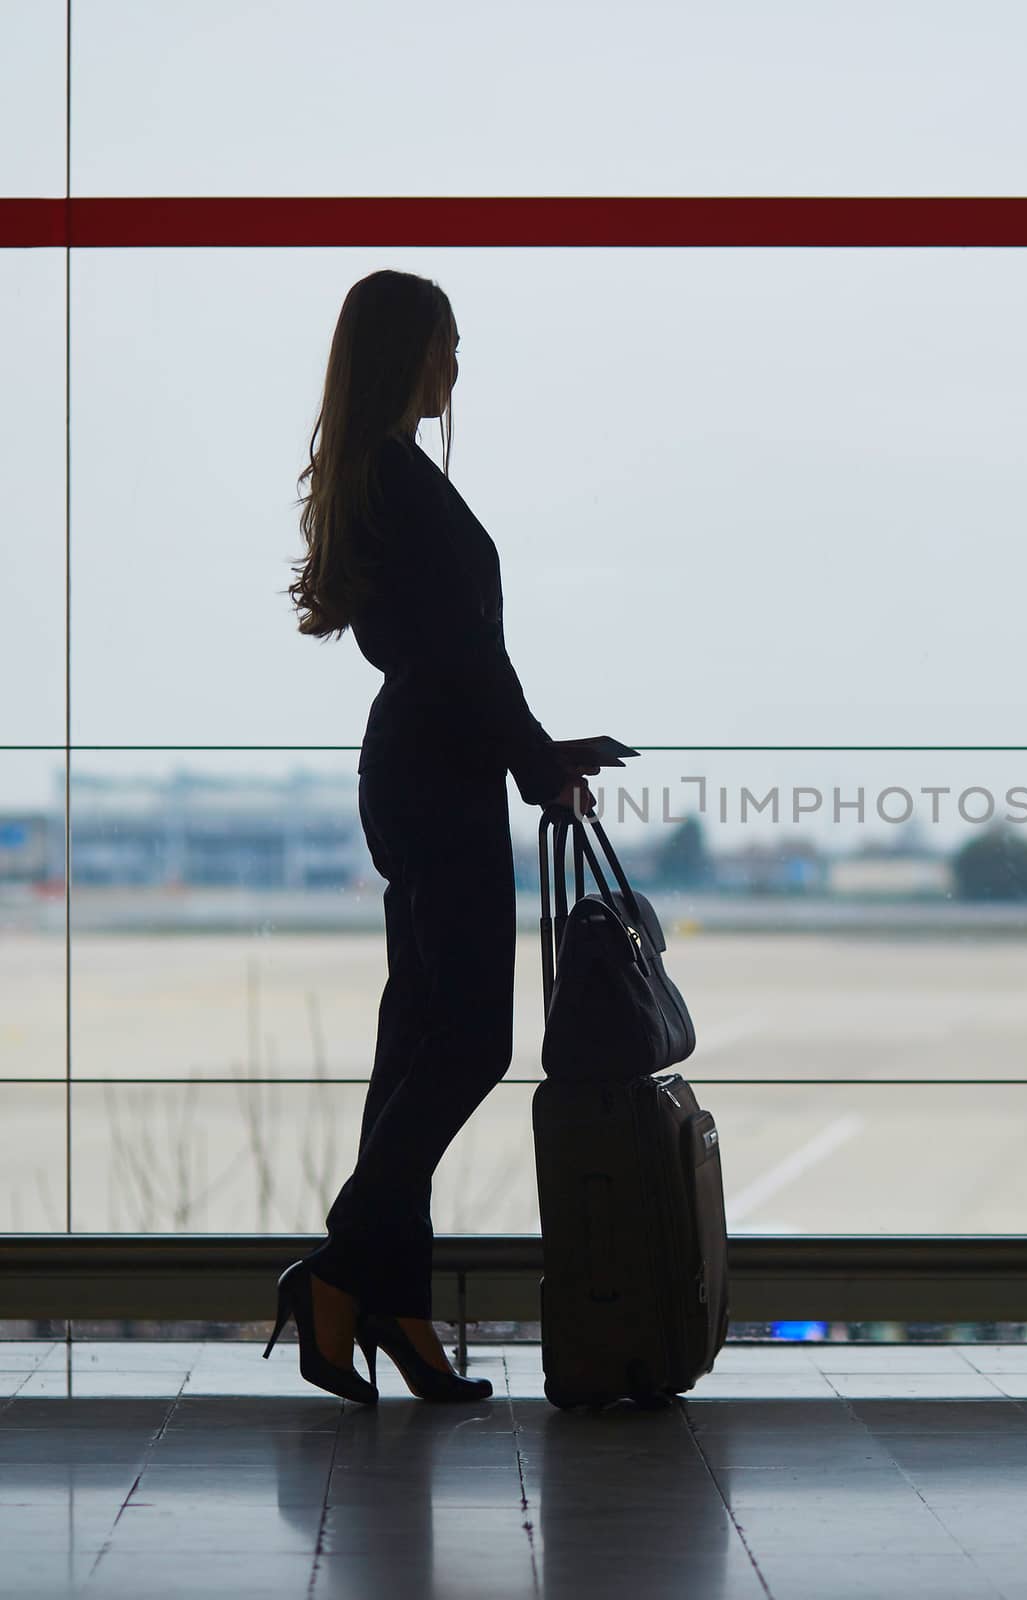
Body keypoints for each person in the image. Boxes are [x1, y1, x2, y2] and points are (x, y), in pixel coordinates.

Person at [265, 268, 623, 1404]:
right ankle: (337, 1270)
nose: (455, 366)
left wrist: (535, 749)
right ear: (401, 353)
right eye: (443, 345)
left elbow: (461, 652)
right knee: (467, 1042)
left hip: (429, 767)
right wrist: (535, 757)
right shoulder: (400, 482)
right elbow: (465, 652)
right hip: (438, 772)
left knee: (419, 1043)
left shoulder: (381, 473)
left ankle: (397, 1309)